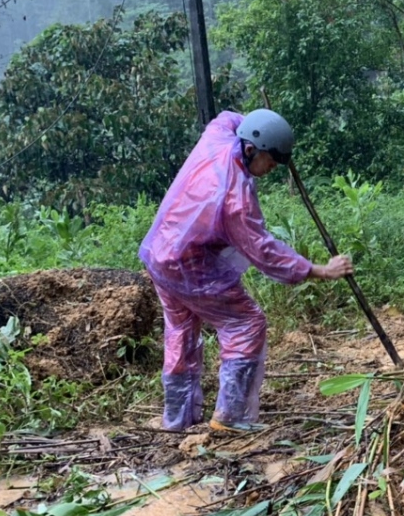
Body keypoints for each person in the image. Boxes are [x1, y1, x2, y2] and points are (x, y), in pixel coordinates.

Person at [139, 109, 354, 433]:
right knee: (246, 324)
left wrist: (265, 126)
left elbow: (226, 117)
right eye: (270, 160)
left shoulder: (217, 139)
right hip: (191, 266)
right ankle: (232, 417)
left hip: (160, 253)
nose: (272, 169)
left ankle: (176, 418)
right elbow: (264, 251)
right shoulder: (236, 197)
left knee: (181, 331)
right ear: (252, 149)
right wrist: (320, 270)